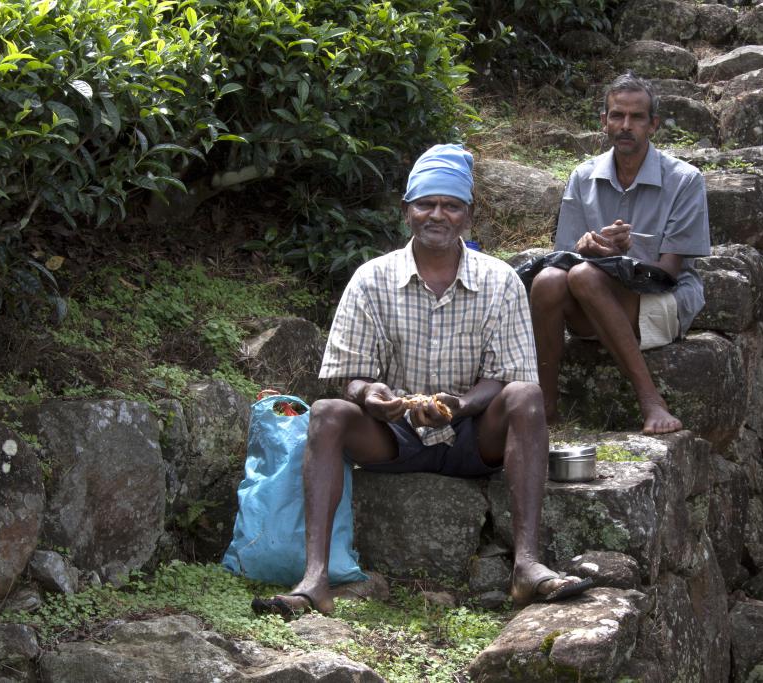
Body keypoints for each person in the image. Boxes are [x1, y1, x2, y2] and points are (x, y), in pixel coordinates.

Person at [251, 144, 592, 619]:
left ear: (468, 216)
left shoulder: (500, 281)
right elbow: (349, 378)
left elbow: (506, 375)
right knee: (328, 412)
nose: (438, 215)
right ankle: (315, 579)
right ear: (407, 211)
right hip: (395, 436)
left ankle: (527, 565)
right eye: (426, 204)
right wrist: (373, 396)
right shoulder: (371, 279)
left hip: (475, 437)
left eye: (451, 205)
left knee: (527, 395)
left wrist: (465, 403)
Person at [529, 73, 711, 435]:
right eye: (617, 116)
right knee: (549, 279)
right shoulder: (583, 177)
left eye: (637, 117)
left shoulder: (685, 180)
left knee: (584, 275)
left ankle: (650, 400)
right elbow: (564, 258)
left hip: (660, 299)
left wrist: (622, 258)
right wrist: (584, 250)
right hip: (595, 297)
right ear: (604, 121)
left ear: (653, 125)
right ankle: (544, 409)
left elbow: (670, 273)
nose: (625, 126)